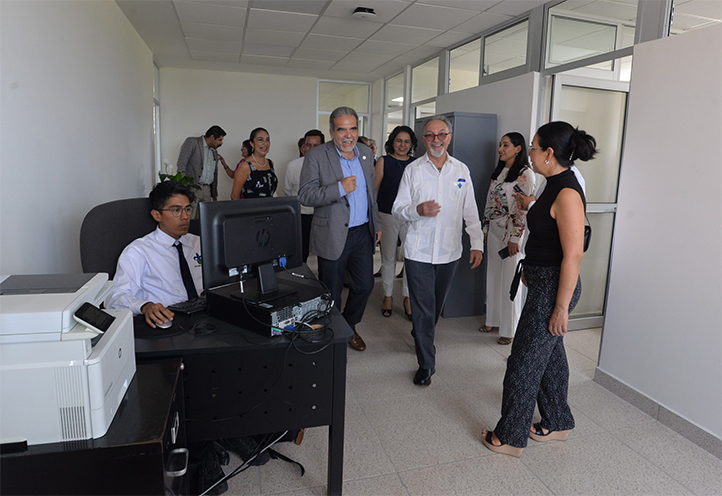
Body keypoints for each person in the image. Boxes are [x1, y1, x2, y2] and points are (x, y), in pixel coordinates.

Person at [482, 121, 596, 458]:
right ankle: (557, 421)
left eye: (533, 147)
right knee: (548, 357)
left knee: (523, 362)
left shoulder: (568, 193)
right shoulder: (553, 184)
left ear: (549, 153)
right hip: (544, 281)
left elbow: (573, 254)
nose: (529, 153)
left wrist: (560, 307)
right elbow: (548, 232)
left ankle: (509, 436)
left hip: (554, 290)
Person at [392, 115, 484, 386]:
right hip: (418, 251)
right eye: (430, 135)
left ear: (449, 137)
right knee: (422, 308)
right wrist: (416, 210)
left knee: (434, 307)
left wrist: (476, 243)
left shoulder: (461, 171)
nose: (436, 140)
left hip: (449, 251)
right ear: (423, 140)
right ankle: (426, 363)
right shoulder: (413, 170)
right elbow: (398, 210)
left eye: (441, 134)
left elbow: (471, 211)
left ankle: (422, 334)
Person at [299, 107, 381, 352]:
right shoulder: (316, 157)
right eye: (342, 129)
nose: (348, 135)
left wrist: (375, 224)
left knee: (365, 285)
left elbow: (371, 194)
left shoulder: (366, 153)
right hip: (332, 234)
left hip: (362, 232)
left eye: (353, 128)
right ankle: (332, 334)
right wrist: (339, 188)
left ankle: (349, 325)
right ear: (332, 131)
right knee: (331, 290)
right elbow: (305, 195)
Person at [105, 181, 202, 329]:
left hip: (205, 315)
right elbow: (114, 297)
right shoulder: (138, 251)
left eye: (187, 209)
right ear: (157, 215)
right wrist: (145, 306)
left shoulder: (198, 243)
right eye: (176, 210)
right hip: (169, 321)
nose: (185, 217)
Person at [481, 133, 535, 345]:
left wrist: (515, 237)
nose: (501, 149)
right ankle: (492, 320)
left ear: (518, 148)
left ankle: (510, 329)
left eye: (506, 145)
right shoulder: (499, 171)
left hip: (512, 233)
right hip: (494, 229)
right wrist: (485, 228)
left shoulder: (525, 174)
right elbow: (489, 201)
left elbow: (522, 210)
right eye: (500, 145)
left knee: (510, 281)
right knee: (493, 276)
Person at [375, 125, 417, 320]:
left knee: (410, 258)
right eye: (399, 140)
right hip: (387, 215)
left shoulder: (417, 164)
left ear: (412, 144)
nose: (402, 145)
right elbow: (375, 192)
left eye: (407, 141)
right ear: (392, 142)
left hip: (410, 216)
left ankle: (407, 297)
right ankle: (388, 296)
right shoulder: (384, 161)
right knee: (389, 257)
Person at [284, 129, 325, 263]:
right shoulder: (293, 166)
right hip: (302, 216)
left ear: (323, 146)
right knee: (301, 254)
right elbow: (288, 191)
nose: (311, 149)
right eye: (308, 145)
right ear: (303, 147)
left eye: (316, 145)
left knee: (325, 253)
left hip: (323, 215)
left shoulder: (328, 166)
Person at [176, 125, 228, 211]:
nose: (221, 143)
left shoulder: (214, 151)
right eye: (220, 140)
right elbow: (182, 164)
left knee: (205, 218)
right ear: (212, 137)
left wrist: (214, 194)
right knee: (190, 216)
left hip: (207, 189)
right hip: (193, 187)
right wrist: (183, 187)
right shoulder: (192, 142)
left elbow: (214, 173)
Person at [231, 127, 277, 199]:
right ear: (252, 143)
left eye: (267, 140)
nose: (265, 143)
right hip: (251, 209)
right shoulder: (246, 165)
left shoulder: (270, 163)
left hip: (270, 208)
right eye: (260, 140)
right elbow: (234, 196)